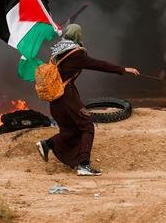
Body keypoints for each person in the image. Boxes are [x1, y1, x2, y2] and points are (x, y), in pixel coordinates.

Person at [35, 24, 139, 176]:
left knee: (71, 130)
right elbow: (98, 64)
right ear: (77, 36)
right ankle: (84, 165)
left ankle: (47, 144)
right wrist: (122, 69)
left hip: (55, 100)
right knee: (87, 126)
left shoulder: (57, 52)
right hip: (67, 96)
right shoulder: (75, 54)